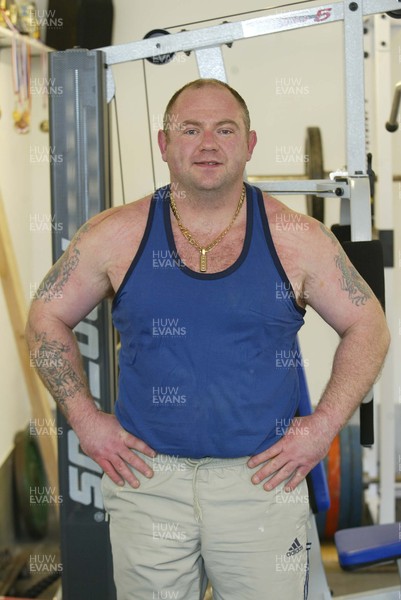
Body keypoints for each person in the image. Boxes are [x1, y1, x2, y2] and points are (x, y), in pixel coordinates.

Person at [26, 78, 390, 600]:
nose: (208, 143)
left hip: (261, 483)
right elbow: (45, 317)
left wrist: (322, 428)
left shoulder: (297, 239)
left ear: (250, 143)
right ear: (164, 144)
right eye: (190, 129)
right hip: (148, 483)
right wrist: (86, 420)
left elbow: (369, 326)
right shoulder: (116, 234)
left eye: (225, 129)